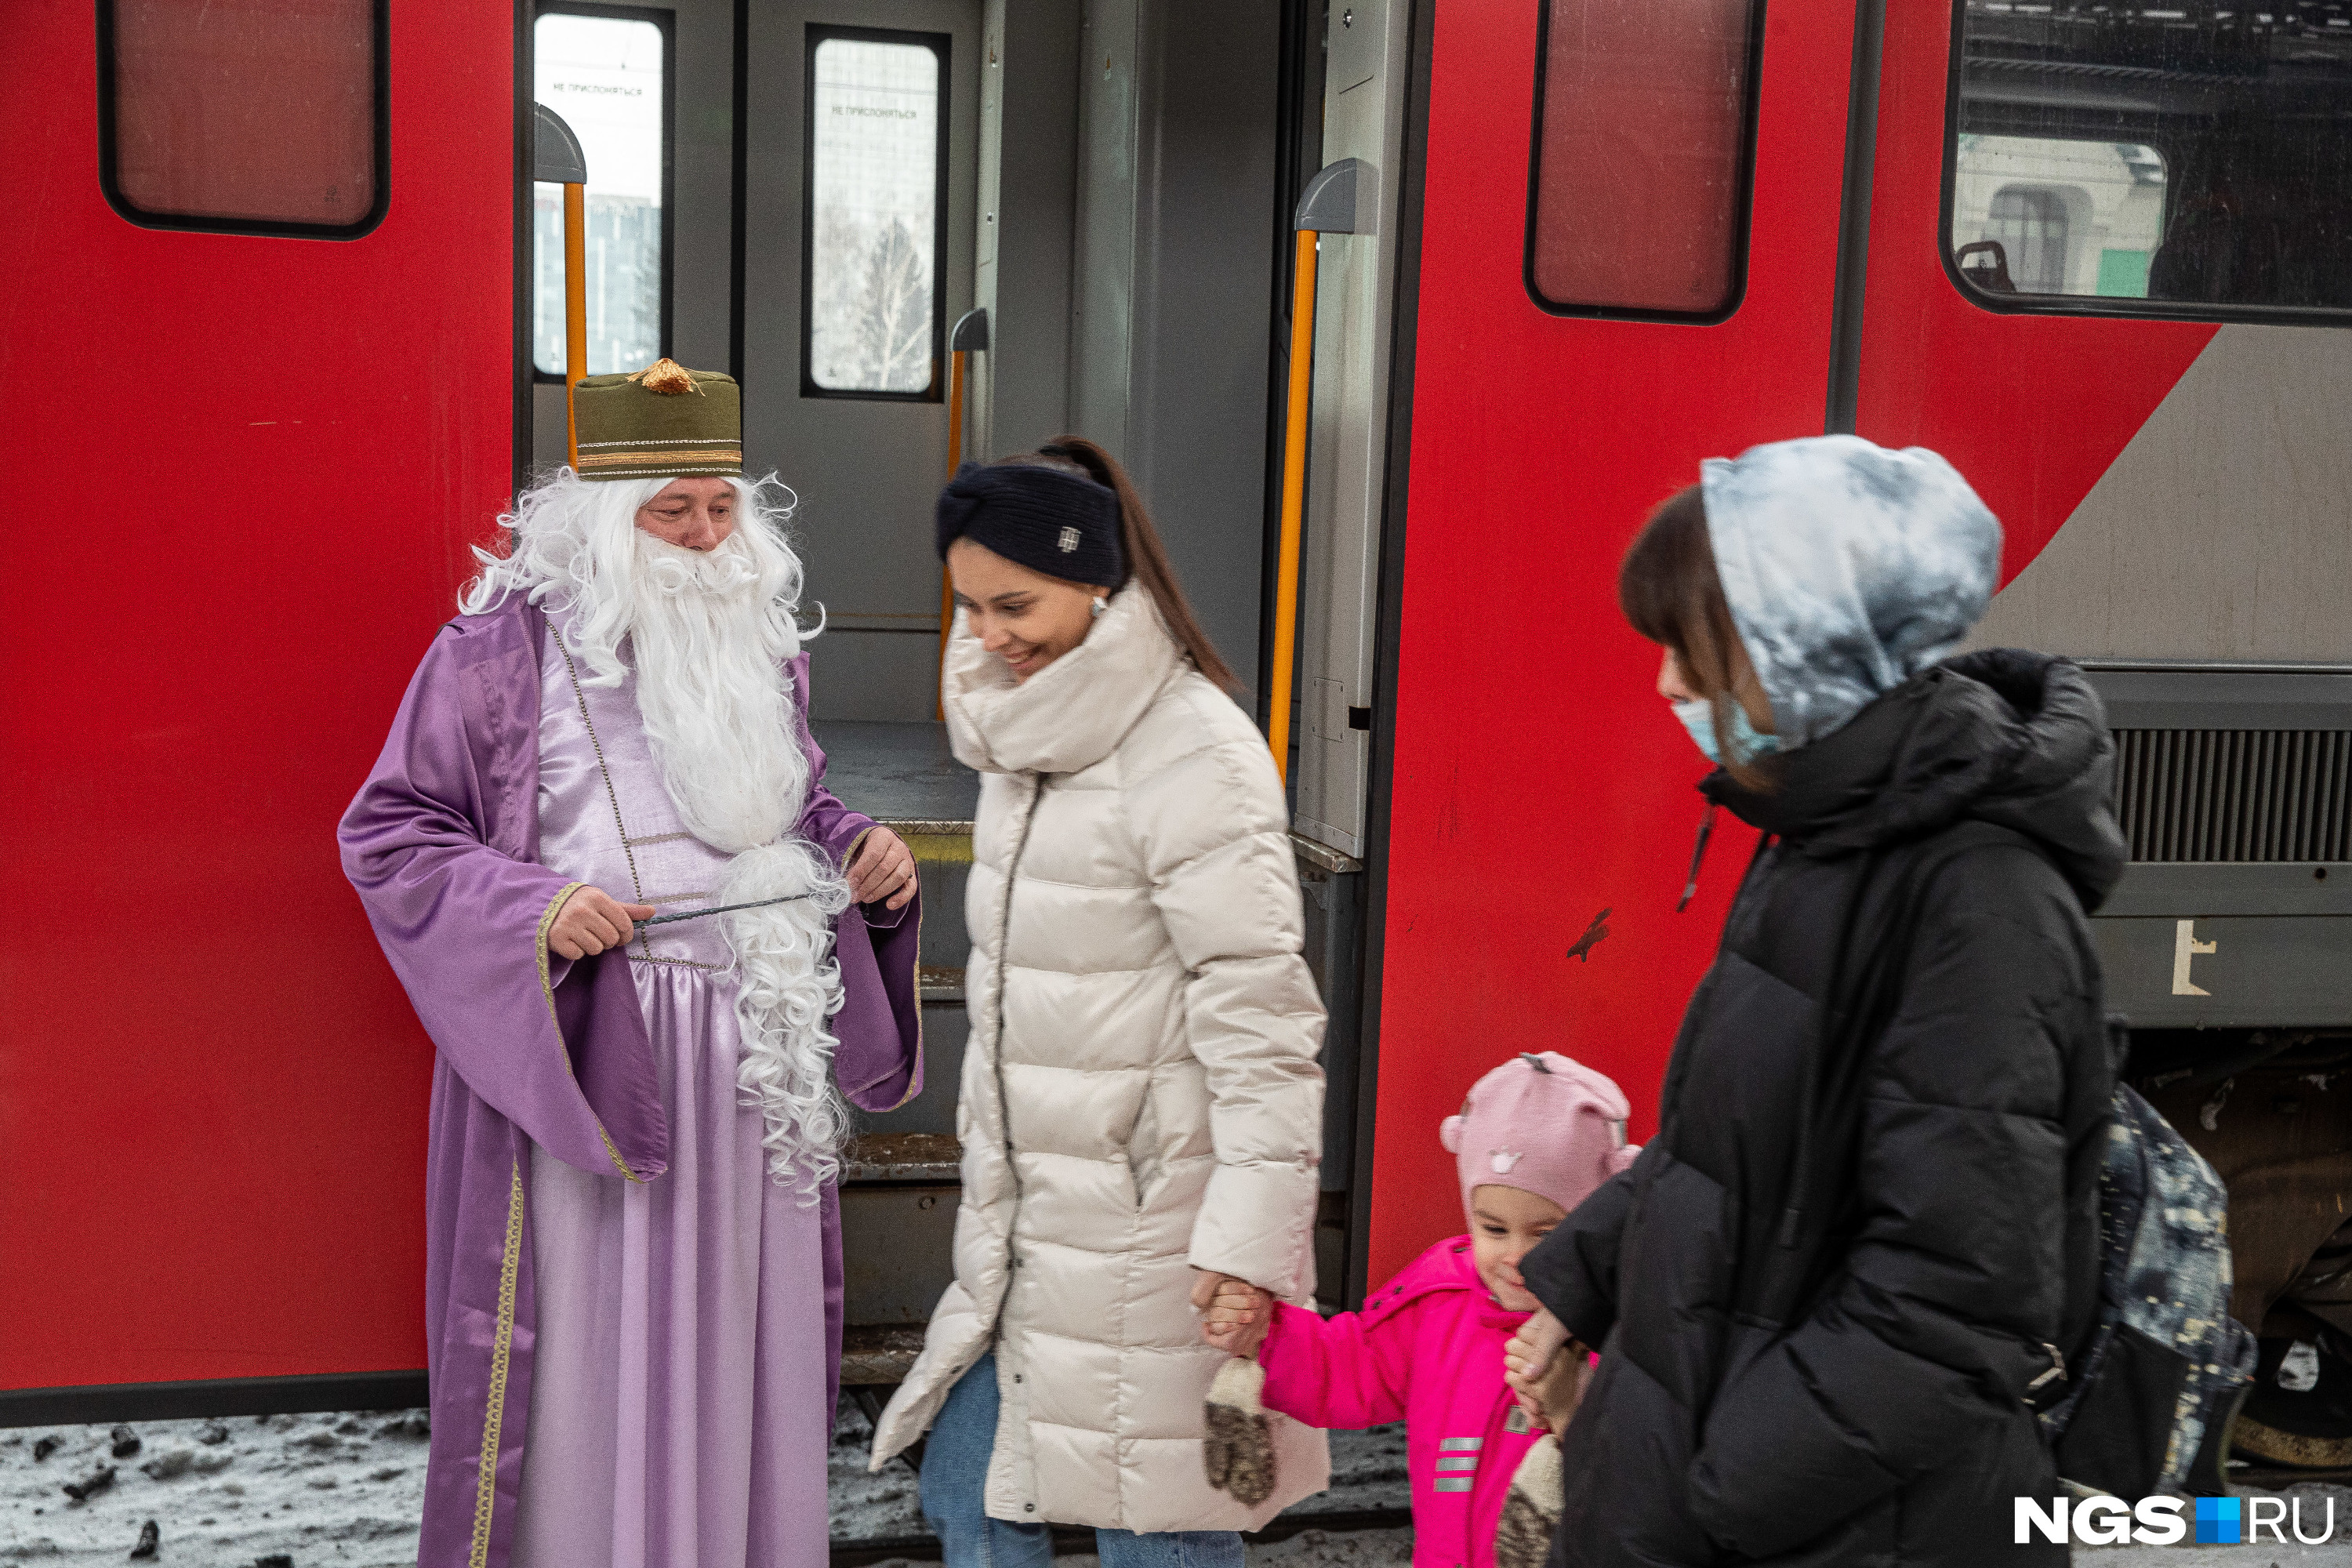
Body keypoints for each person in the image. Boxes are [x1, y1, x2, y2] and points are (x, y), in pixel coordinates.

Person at [339, 360, 923, 1568]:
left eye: (722, 508)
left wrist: (855, 846)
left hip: (751, 1067)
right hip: (596, 1070)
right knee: (593, 1355)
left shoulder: (756, 647)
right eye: (674, 512)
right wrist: (535, 907)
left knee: (731, 1347)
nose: (707, 538)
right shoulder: (496, 657)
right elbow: (390, 834)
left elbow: (784, 809)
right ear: (607, 522)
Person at [1504, 435, 2125, 1567]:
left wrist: (1718, 1490)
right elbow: (1729, 1148)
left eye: (1696, 650)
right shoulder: (1831, 831)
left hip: (1841, 1528)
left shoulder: (1977, 901)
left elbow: (1959, 1299)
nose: (1670, 685)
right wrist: (1581, 1288)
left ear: (1810, 651)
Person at [867, 438, 1330, 1563]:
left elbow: (1264, 1022)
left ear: (1095, 580)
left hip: (1158, 1232)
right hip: (1043, 1220)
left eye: (1012, 604)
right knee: (973, 1500)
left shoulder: (1195, 754)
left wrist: (1248, 1247)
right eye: (969, 607)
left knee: (1157, 1529)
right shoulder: (1027, 743)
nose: (985, 636)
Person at [1202, 1052, 1636, 1568]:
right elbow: (1350, 1367)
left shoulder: (1624, 1326)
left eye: (1547, 1234)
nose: (1516, 1255)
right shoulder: (1440, 1300)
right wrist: (1265, 1335)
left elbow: (1644, 1474)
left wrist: (1571, 1409)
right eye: (1494, 1229)